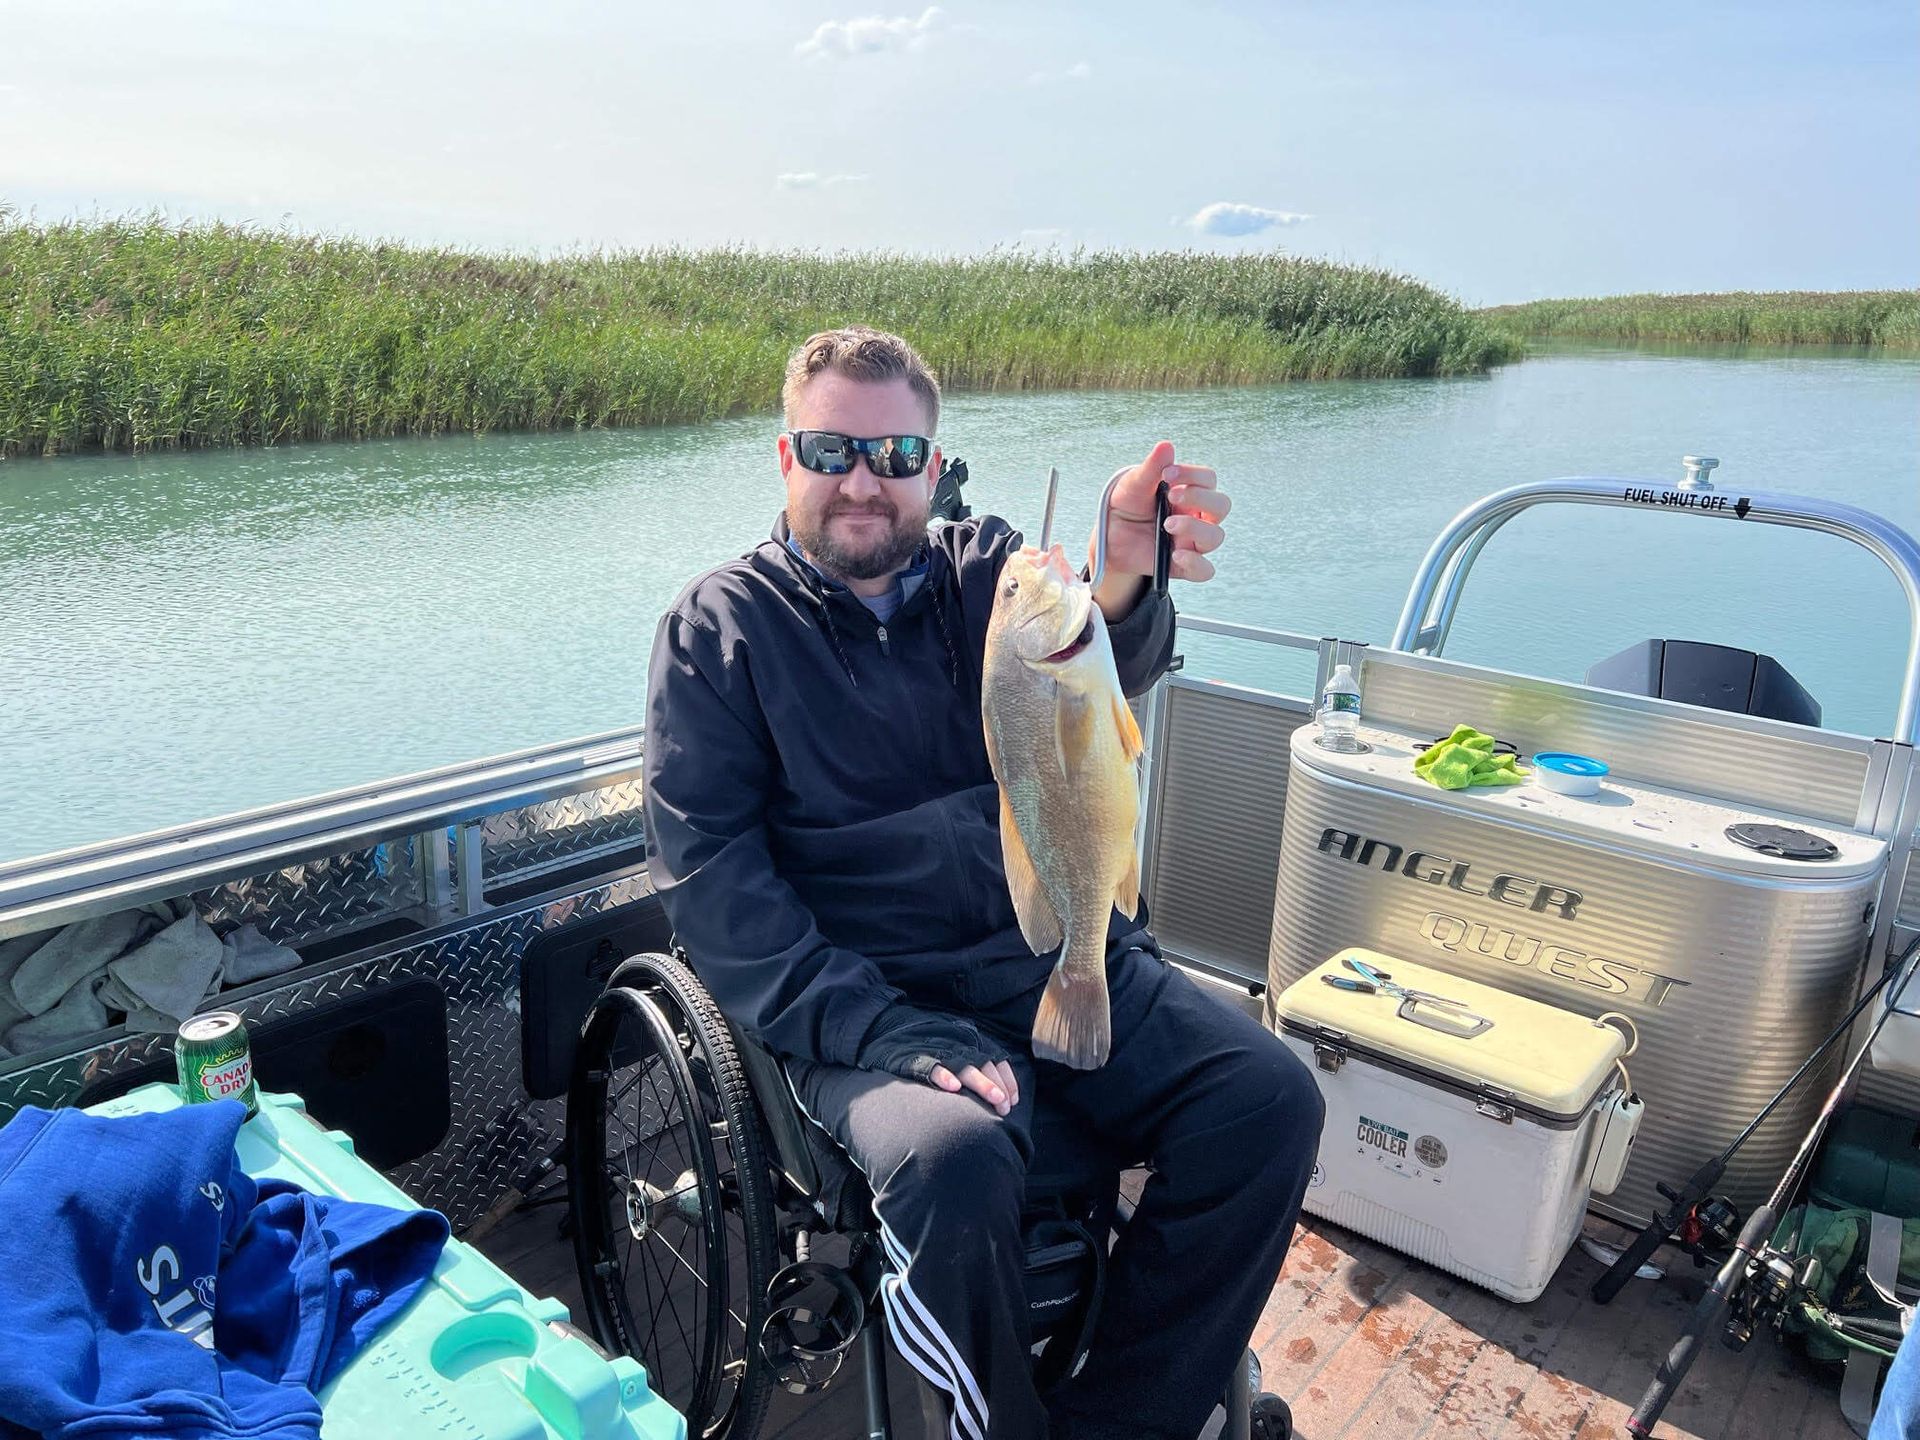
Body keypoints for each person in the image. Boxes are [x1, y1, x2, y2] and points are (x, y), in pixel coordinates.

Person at [641, 325, 1325, 1440]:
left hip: (1051, 952)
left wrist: (1126, 569)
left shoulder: (989, 574)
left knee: (1270, 1100)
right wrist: (888, 1033)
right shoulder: (718, 630)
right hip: (859, 1003)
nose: (864, 481)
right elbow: (717, 890)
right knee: (952, 1161)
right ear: (784, 460)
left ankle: (1122, 1422)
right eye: (831, 452)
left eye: (897, 455)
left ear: (933, 462)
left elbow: (1109, 662)